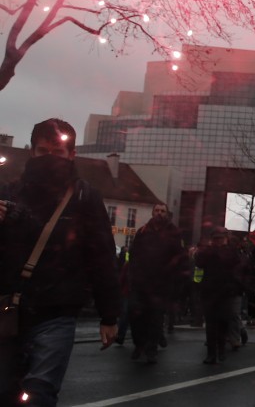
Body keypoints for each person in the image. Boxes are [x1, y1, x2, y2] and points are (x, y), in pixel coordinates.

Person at [0, 118, 120, 407]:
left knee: (39, 393)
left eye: (58, 152)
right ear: (32, 151)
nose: (50, 159)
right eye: (44, 151)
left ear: (72, 154)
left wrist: (109, 315)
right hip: (9, 308)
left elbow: (101, 255)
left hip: (56, 311)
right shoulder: (9, 192)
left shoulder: (84, 197)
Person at [127, 202, 186, 364]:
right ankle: (139, 343)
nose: (159, 213)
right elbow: (133, 255)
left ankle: (151, 349)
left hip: (161, 284)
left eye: (162, 211)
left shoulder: (174, 233)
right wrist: (132, 275)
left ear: (166, 214)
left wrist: (175, 282)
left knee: (155, 318)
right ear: (153, 213)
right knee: (136, 315)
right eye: (157, 210)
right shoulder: (143, 231)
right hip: (141, 283)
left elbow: (180, 258)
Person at [195, 227, 245, 364]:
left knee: (223, 323)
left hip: (225, 292)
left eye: (220, 238)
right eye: (216, 238)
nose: (218, 241)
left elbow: (235, 263)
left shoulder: (231, 251)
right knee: (211, 325)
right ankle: (211, 353)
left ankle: (221, 350)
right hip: (210, 292)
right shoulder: (207, 252)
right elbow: (199, 262)